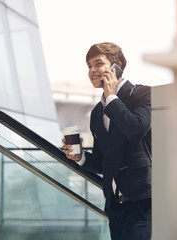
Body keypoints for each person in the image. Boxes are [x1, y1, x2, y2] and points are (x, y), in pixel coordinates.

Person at [62, 42, 152, 240]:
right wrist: (80, 157)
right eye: (89, 66)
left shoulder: (142, 94)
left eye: (98, 64)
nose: (92, 70)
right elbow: (104, 162)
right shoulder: (96, 113)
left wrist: (112, 98)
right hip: (115, 208)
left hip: (142, 206)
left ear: (116, 66)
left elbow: (136, 130)